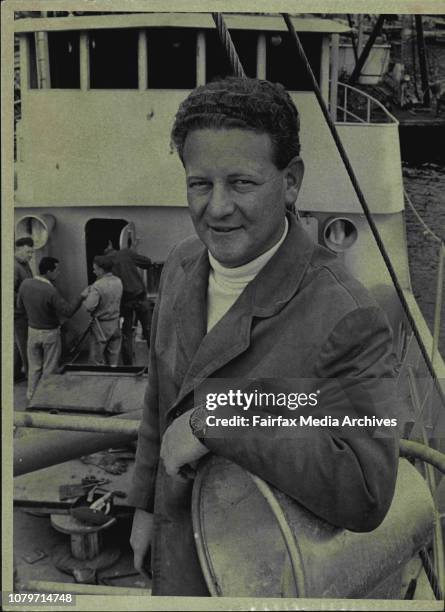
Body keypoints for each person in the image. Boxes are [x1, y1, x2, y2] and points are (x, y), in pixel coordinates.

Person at [128, 78, 399, 596]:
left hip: (268, 583)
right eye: (200, 184)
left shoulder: (349, 316)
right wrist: (143, 507)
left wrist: (219, 418)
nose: (218, 208)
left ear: (291, 181)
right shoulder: (183, 265)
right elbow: (161, 399)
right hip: (177, 559)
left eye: (242, 183)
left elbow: (367, 489)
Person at [17, 256, 83, 401]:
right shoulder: (50, 291)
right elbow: (68, 311)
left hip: (32, 331)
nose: (58, 273)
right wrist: (81, 298)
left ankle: (31, 397)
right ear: (48, 271)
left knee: (34, 368)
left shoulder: (25, 284)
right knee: (49, 369)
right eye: (57, 270)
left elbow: (19, 307)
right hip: (50, 334)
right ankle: (45, 398)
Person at [104, 241, 153, 364]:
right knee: (149, 331)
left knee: (126, 334)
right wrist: (134, 251)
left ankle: (128, 365)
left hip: (124, 301)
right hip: (140, 297)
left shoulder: (104, 262)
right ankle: (155, 361)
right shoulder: (125, 253)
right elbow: (147, 262)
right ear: (111, 244)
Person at [81, 255, 123, 366]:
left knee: (96, 361)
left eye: (95, 268)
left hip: (101, 326)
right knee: (114, 359)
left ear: (101, 269)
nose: (94, 271)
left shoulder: (97, 285)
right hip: (115, 323)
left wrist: (86, 296)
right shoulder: (118, 281)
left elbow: (89, 307)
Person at [14, 236, 34, 380]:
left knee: (18, 345)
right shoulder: (14, 267)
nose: (30, 255)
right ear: (18, 250)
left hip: (23, 312)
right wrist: (24, 304)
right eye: (27, 252)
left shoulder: (24, 264)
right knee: (25, 344)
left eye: (31, 253)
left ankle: (14, 374)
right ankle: (29, 375)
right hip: (18, 314)